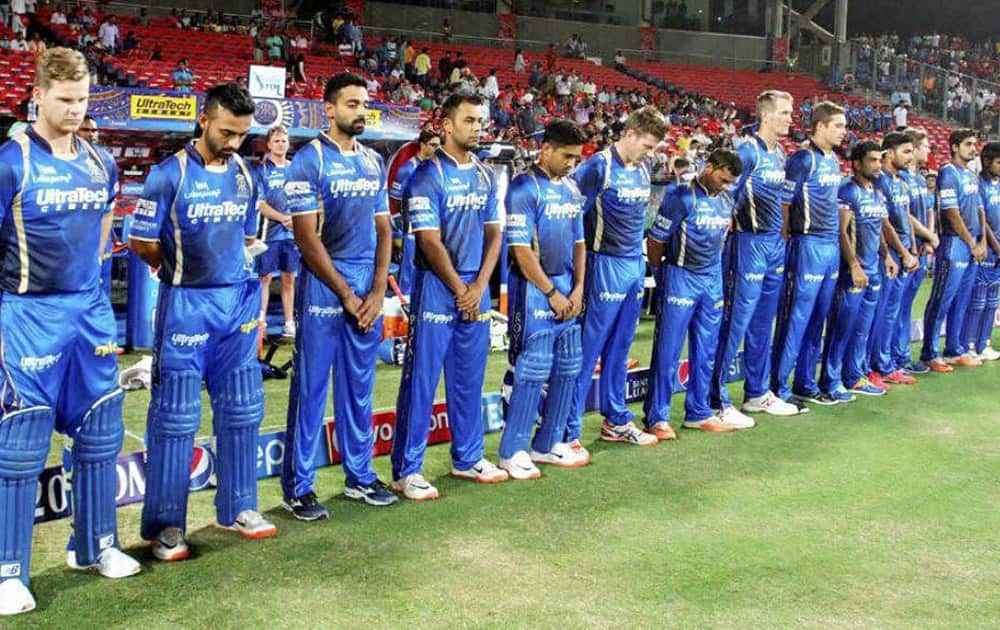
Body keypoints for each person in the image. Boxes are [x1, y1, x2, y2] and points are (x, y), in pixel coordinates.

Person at [0, 48, 141, 617]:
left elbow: (104, 231)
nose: (75, 110)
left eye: (82, 100)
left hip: (90, 312)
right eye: (64, 100)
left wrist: (96, 300)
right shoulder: (11, 162)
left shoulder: (101, 163)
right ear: (38, 95)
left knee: (101, 428)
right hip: (28, 313)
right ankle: (9, 570)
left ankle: (96, 545)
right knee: (21, 441)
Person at [130, 83, 276, 562]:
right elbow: (142, 242)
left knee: (242, 408)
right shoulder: (166, 175)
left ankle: (239, 506)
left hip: (236, 304)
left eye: (242, 134)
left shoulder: (244, 173)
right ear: (204, 121)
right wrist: (177, 269)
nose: (235, 142)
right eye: (227, 132)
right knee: (175, 417)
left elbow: (246, 234)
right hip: (186, 305)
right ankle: (166, 526)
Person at [281, 73, 397, 519]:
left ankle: (360, 475)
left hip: (366, 283)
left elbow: (384, 229)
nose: (360, 111)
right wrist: (348, 294)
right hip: (325, 283)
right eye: (351, 104)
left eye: (364, 103)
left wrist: (375, 290)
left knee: (359, 387)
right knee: (311, 388)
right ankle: (299, 487)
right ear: (328, 110)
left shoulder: (373, 161)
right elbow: (307, 240)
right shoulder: (309, 161)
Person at [391, 93, 507, 500]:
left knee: (469, 379)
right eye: (469, 120)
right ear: (447, 125)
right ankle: (407, 470)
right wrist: (462, 289)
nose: (477, 127)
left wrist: (480, 288)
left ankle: (468, 457)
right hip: (439, 289)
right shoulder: (426, 176)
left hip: (476, 289)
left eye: (480, 120)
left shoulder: (485, 175)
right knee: (421, 380)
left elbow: (495, 234)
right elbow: (429, 240)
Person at [567, 106, 668, 448]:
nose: (650, 153)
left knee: (621, 347)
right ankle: (567, 429)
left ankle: (616, 419)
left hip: (632, 266)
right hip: (603, 265)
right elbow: (571, 218)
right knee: (588, 348)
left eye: (654, 148)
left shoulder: (642, 169)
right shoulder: (597, 167)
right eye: (648, 145)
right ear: (630, 134)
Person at [499, 119, 589, 479]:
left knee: (569, 364)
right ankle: (512, 450)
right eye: (567, 156)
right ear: (546, 149)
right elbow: (520, 249)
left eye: (577, 158)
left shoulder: (571, 188)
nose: (572, 164)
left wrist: (579, 288)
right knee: (533, 366)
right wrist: (551, 293)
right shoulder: (524, 188)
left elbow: (580, 243)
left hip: (568, 287)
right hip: (534, 289)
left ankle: (549, 442)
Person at [710, 90, 800, 422]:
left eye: (791, 113)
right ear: (765, 115)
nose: (790, 118)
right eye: (785, 113)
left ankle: (757, 393)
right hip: (747, 244)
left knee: (763, 323)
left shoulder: (780, 154)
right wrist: (720, 238)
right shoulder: (747, 151)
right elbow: (725, 197)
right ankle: (717, 401)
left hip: (773, 245)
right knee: (735, 323)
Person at [644, 150, 744, 433]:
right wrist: (662, 272)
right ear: (709, 167)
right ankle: (657, 417)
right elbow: (655, 240)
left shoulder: (727, 199)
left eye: (730, 182)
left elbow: (722, 238)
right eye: (723, 179)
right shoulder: (681, 196)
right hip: (681, 276)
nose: (725, 186)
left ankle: (699, 411)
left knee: (706, 348)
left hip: (712, 279)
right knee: (668, 349)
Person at [770, 102, 848, 409]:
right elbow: (784, 203)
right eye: (838, 126)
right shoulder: (803, 159)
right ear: (820, 126)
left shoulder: (834, 161)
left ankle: (805, 382)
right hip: (807, 245)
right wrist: (786, 241)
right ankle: (779, 386)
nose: (844, 132)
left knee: (818, 318)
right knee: (795, 319)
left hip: (830, 246)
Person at [820, 142, 890, 400]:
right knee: (842, 327)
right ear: (857, 164)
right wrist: (854, 265)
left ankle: (854, 376)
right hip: (854, 270)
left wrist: (888, 256)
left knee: (862, 328)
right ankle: (830, 381)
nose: (878, 165)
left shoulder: (876, 192)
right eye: (872, 160)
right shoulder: (848, 191)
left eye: (879, 160)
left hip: (873, 269)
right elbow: (841, 231)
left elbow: (878, 228)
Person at [920, 128, 988, 371]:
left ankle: (954, 350)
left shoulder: (970, 174)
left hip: (972, 244)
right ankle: (929, 352)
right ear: (955, 147)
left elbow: (980, 209)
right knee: (942, 299)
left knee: (962, 300)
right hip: (954, 244)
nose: (973, 148)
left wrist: (981, 242)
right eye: (968, 144)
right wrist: (971, 242)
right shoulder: (948, 173)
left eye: (975, 144)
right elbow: (952, 213)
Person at [868, 132, 920, 390]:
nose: (910, 157)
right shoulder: (881, 182)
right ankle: (874, 367)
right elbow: (884, 222)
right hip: (887, 256)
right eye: (906, 152)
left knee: (891, 313)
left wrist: (913, 250)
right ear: (889, 153)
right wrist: (900, 251)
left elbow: (907, 216)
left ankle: (886, 364)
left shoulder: (901, 182)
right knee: (880, 313)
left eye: (912, 152)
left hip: (904, 254)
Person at [895, 127, 939, 374]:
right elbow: (907, 215)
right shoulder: (902, 180)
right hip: (911, 249)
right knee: (898, 307)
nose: (929, 150)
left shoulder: (921, 179)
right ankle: (897, 357)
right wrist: (928, 235)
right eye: (925, 146)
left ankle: (902, 355)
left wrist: (931, 236)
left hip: (922, 248)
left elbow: (929, 209)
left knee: (907, 305)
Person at [254, 125, 297, 339]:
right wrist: (283, 219)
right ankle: (260, 320)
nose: (281, 144)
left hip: (291, 235)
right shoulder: (261, 171)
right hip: (268, 233)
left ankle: (289, 323)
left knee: (289, 277)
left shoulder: (295, 169)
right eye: (277, 141)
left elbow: (302, 198)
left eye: (284, 140)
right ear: (269, 144)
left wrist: (295, 220)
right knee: (265, 277)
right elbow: (260, 204)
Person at [389, 128, 441, 295]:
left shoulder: (436, 169)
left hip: (432, 223)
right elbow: (394, 197)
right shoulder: (407, 169)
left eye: (438, 146)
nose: (436, 149)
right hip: (411, 223)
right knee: (410, 262)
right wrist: (398, 219)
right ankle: (406, 295)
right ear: (422, 145)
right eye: (433, 145)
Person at [963, 142, 1000, 360]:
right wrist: (994, 244)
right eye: (998, 162)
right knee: (978, 298)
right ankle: (968, 344)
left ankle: (984, 343)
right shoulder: (979, 186)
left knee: (993, 299)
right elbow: (982, 218)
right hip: (987, 248)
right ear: (986, 162)